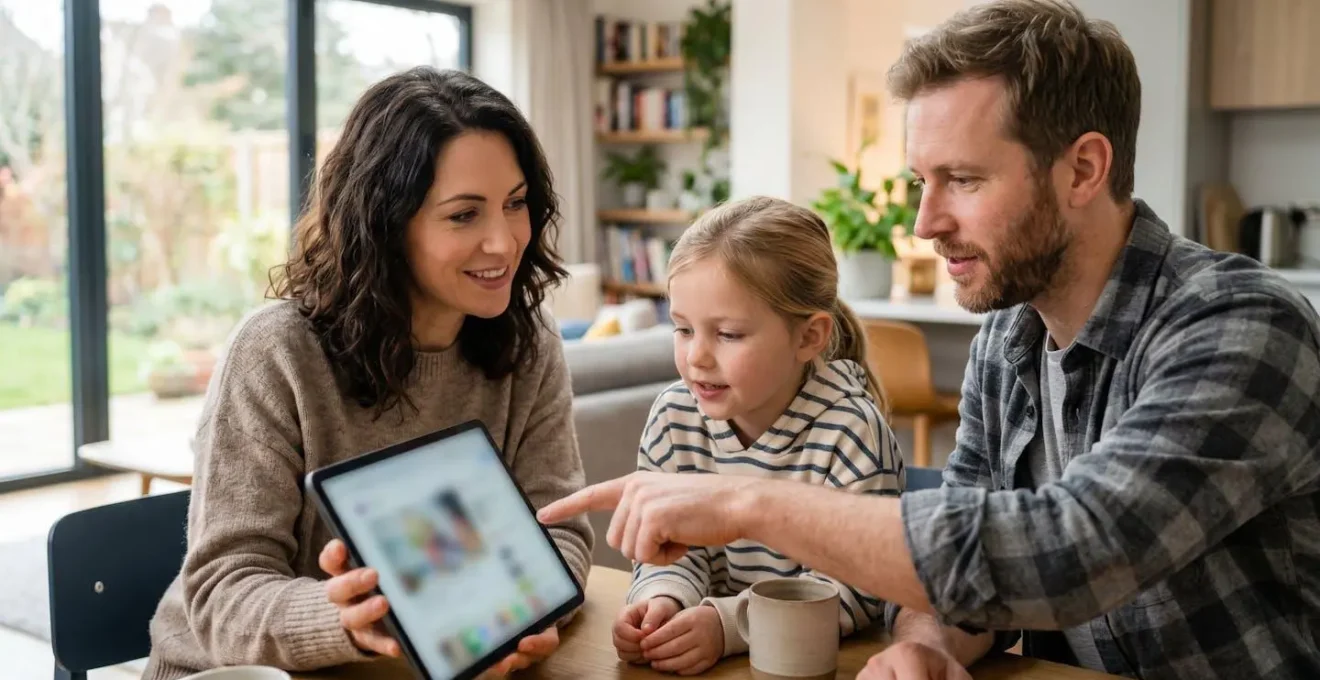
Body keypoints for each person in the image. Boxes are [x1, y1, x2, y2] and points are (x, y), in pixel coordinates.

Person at [537, 1, 1320, 678]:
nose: (924, 223)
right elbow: (970, 566)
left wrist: (744, 500)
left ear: (1083, 169)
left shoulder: (1242, 326)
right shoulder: (1008, 337)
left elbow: (1074, 551)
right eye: (922, 182)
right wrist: (930, 640)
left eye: (965, 181)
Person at [142, 67, 594, 680]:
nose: (504, 242)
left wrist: (521, 616)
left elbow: (560, 529)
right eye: (464, 215)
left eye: (515, 204)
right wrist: (358, 620)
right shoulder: (277, 351)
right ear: (386, 222)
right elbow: (224, 597)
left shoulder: (530, 343)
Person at [612, 197, 904, 675]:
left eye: (727, 334)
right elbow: (667, 548)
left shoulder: (851, 429)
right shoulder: (673, 416)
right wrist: (662, 598)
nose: (697, 358)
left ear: (809, 338)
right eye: (683, 329)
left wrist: (726, 625)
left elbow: (860, 587)